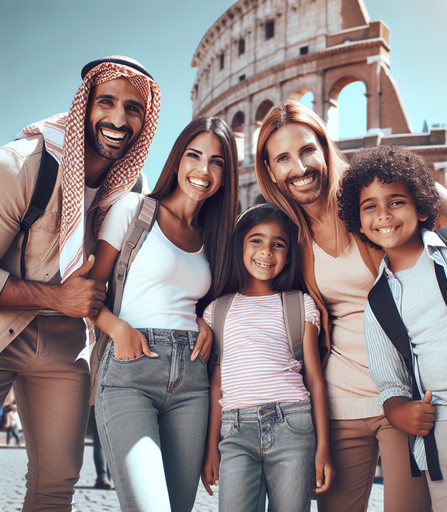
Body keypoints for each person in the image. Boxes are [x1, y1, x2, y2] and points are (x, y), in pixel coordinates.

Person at [254, 100, 447, 512]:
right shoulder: (290, 234)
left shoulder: (382, 192)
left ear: (324, 147)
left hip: (414, 398)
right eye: (282, 158)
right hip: (341, 403)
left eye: (306, 150)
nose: (299, 167)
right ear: (269, 170)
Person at [0, 55, 161, 511]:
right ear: (84, 106)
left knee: (56, 485)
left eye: (133, 108)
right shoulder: (20, 165)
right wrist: (57, 296)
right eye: (106, 102)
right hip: (4, 326)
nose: (118, 118)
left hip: (68, 343)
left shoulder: (132, 189)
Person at [340, 144, 447, 512]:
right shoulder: (377, 302)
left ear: (421, 206)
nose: (383, 214)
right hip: (441, 444)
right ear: (358, 222)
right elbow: (391, 385)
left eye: (396, 201)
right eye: (370, 206)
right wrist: (399, 411)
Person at [88, 116, 239, 512]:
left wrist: (205, 319)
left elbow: (214, 301)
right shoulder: (135, 210)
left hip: (192, 380)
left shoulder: (216, 237)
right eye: (194, 155)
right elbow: (87, 292)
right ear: (177, 158)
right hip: (129, 372)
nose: (203, 170)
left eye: (217, 161)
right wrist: (116, 328)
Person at [200, 203, 334, 512]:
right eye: (256, 240)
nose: (267, 252)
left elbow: (314, 379)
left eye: (278, 244)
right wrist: (210, 448)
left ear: (288, 255)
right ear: (240, 245)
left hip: (293, 426)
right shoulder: (217, 310)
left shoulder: (300, 304)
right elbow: (216, 384)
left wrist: (323, 447)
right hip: (235, 432)